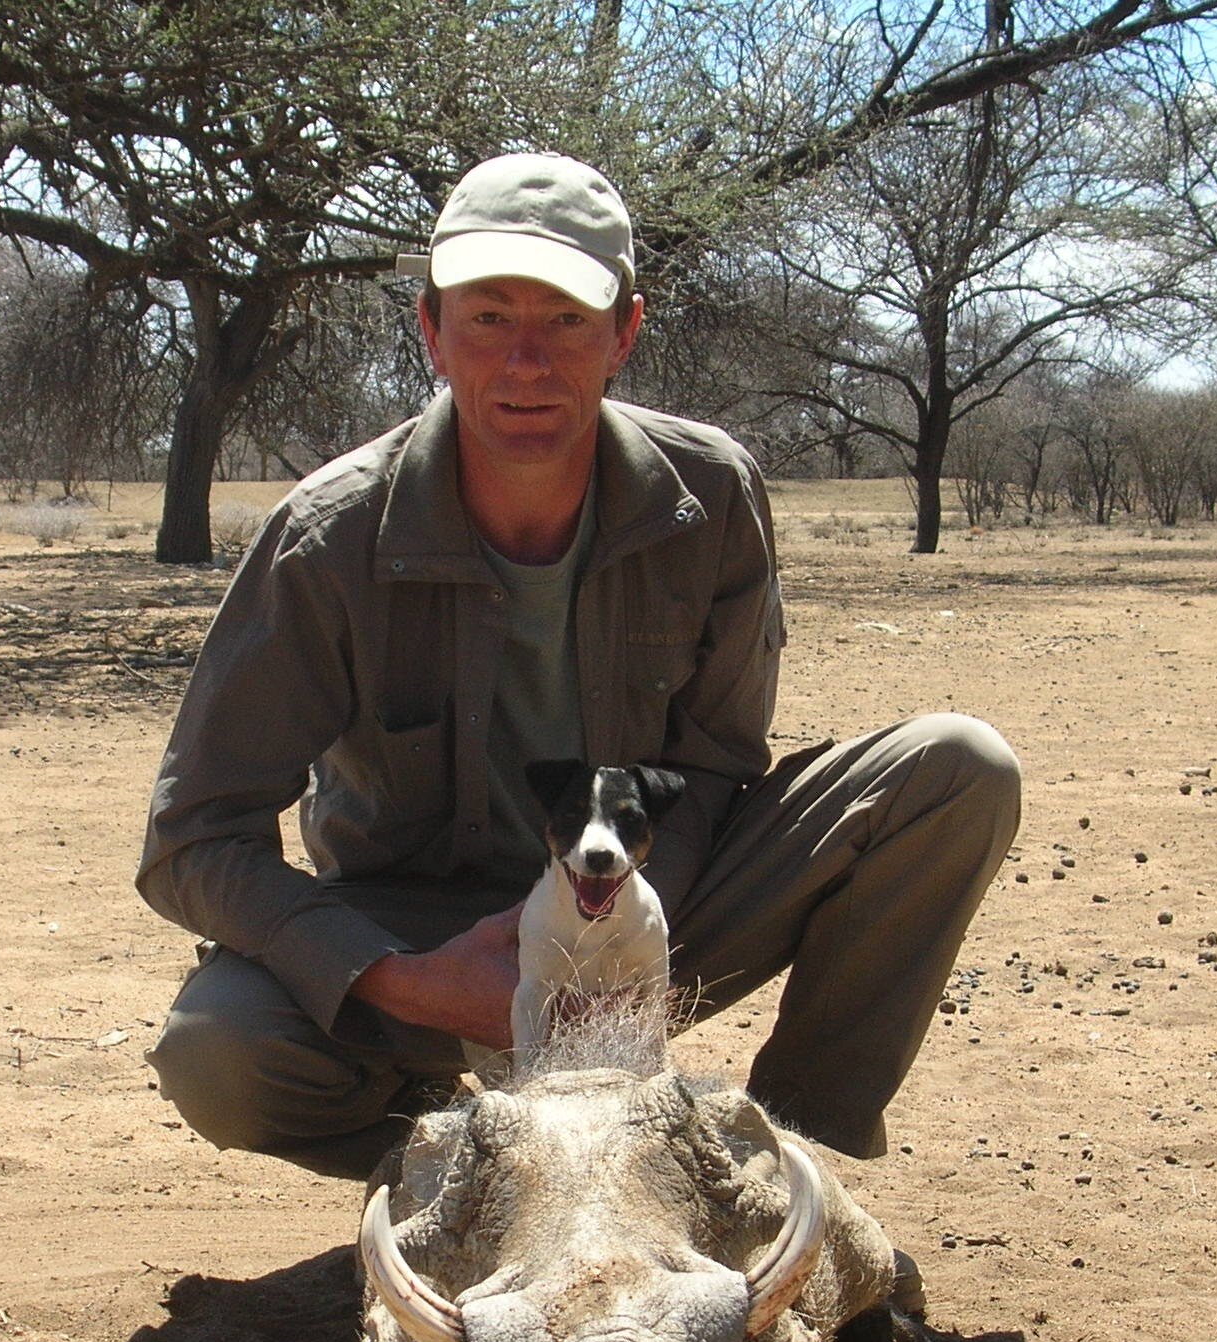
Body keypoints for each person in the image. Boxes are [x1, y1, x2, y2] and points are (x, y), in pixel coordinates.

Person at [138, 151, 1021, 1176]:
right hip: (425, 928)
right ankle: (462, 1175)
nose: (525, 362)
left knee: (959, 769)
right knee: (218, 1054)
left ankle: (777, 1185)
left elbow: (710, 764)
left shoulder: (708, 494)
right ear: (430, 331)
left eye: (565, 320)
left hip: (653, 895)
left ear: (623, 334)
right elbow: (189, 838)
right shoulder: (325, 538)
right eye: (487, 318)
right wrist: (396, 977)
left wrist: (611, 936)